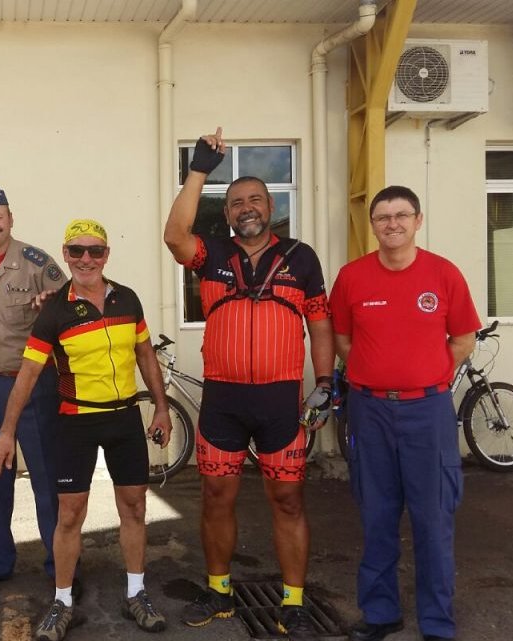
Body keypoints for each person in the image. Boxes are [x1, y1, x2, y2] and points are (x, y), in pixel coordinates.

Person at [163, 128, 334, 640]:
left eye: (255, 199)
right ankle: (219, 591)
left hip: (281, 399)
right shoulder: (211, 254)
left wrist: (324, 382)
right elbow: (174, 236)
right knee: (216, 495)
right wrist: (198, 170)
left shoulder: (301, 257)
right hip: (225, 400)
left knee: (288, 501)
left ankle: (294, 602)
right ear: (228, 212)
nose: (246, 208)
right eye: (236, 202)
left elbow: (320, 324)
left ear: (271, 205)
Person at [0, 219, 172, 641]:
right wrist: (6, 431)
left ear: (106, 254)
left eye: (95, 250)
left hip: (125, 418)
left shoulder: (127, 299)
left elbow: (145, 355)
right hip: (76, 420)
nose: (86, 259)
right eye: (77, 251)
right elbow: (28, 375)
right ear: (66, 255)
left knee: (135, 508)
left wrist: (161, 407)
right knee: (69, 515)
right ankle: (63, 601)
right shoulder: (54, 310)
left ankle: (136, 592)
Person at [329, 186, 479, 641]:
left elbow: (463, 340)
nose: (391, 223)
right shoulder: (352, 277)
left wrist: (424, 377)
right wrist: (380, 375)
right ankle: (381, 614)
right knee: (377, 514)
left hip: (427, 411)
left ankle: (436, 622)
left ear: (418, 220)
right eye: (382, 217)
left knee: (433, 519)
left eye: (401, 215)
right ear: (372, 225)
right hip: (370, 409)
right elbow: (344, 340)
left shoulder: (444, 274)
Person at [0, 182, 69, 594]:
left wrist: (50, 307)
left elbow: (67, 315)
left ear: (10, 219)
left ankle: (61, 565)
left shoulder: (38, 263)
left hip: (35, 384)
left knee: (45, 477)